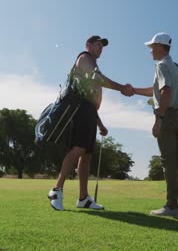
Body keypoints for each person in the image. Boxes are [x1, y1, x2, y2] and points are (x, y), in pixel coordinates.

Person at [47, 35, 134, 211]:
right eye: (97, 45)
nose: (100, 48)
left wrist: (99, 123)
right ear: (88, 45)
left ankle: (83, 198)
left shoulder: (93, 63)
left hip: (88, 112)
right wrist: (121, 88)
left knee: (86, 155)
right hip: (78, 111)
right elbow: (97, 79)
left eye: (102, 46)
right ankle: (56, 190)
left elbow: (91, 99)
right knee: (78, 149)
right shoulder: (84, 58)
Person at [133, 32, 178, 217]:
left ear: (161, 47)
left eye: (152, 47)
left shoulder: (161, 65)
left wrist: (159, 119)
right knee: (177, 160)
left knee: (167, 161)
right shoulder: (172, 65)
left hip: (168, 117)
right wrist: (134, 90)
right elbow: (157, 90)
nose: (150, 51)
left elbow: (165, 93)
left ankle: (171, 206)